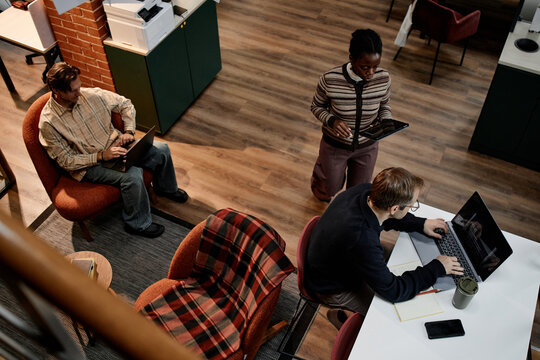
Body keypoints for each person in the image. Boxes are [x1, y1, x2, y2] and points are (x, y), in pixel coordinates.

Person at [39, 62, 189, 238]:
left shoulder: (92, 95)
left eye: (79, 86)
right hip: (89, 165)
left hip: (118, 146)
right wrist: (102, 155)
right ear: (56, 91)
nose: (79, 92)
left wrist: (128, 131)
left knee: (161, 148)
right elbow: (66, 161)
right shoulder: (49, 123)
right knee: (132, 176)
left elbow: (125, 104)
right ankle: (137, 224)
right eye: (73, 91)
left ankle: (166, 188)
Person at [304, 167, 464, 329]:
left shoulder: (367, 191)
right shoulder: (362, 239)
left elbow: (388, 218)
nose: (412, 207)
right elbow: (394, 291)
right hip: (332, 288)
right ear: (394, 208)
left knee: (400, 257)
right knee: (392, 315)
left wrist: (420, 224)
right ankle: (343, 318)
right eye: (411, 205)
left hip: (341, 258)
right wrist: (437, 268)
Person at [310, 29, 392, 202]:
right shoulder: (330, 79)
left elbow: (384, 105)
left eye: (375, 67)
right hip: (335, 146)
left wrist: (386, 120)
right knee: (328, 188)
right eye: (365, 67)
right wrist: (331, 120)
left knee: (359, 192)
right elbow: (317, 106)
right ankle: (322, 175)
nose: (371, 72)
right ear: (351, 59)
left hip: (367, 146)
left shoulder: (384, 78)